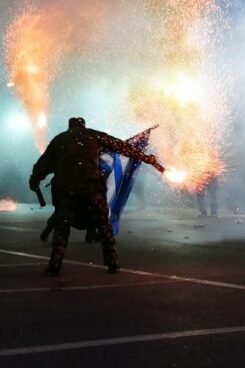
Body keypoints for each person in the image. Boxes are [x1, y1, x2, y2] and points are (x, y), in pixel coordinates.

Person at [30, 117, 165, 275]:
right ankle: (112, 264)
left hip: (67, 190)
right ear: (83, 125)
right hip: (92, 187)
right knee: (103, 224)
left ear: (70, 127)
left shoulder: (59, 140)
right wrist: (147, 158)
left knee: (62, 227)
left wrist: (34, 181)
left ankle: (54, 265)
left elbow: (42, 165)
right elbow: (123, 147)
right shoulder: (93, 135)